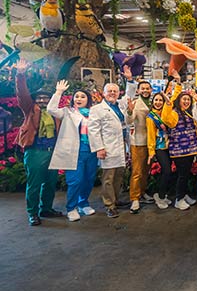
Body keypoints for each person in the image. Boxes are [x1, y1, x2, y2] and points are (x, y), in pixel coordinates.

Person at [15, 59, 63, 226]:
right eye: (40, 98)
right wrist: (20, 74)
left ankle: (46, 209)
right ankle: (33, 213)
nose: (43, 100)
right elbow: (22, 94)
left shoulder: (54, 112)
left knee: (50, 183)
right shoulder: (30, 109)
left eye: (46, 98)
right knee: (34, 184)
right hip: (35, 151)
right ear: (35, 100)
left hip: (52, 151)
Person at [47, 80, 98, 222]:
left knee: (89, 179)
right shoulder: (67, 112)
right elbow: (51, 109)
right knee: (75, 181)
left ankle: (83, 203)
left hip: (92, 151)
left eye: (83, 96)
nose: (79, 99)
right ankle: (71, 208)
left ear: (88, 99)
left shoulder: (93, 113)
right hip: (75, 152)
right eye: (77, 96)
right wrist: (58, 92)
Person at [88, 73, 136, 218]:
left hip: (121, 146)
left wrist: (129, 79)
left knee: (119, 176)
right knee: (108, 178)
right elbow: (93, 130)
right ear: (103, 93)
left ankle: (116, 199)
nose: (112, 93)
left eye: (115, 91)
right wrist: (99, 148)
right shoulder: (97, 109)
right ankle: (109, 205)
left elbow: (129, 94)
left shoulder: (120, 105)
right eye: (109, 91)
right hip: (107, 148)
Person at [161, 78, 197, 210]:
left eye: (188, 100)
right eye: (183, 99)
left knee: (186, 174)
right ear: (179, 101)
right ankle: (179, 199)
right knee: (182, 175)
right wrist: (168, 104)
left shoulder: (189, 113)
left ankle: (183, 195)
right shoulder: (174, 113)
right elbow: (165, 119)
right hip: (180, 151)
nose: (186, 101)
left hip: (191, 150)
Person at [126, 79, 154, 214]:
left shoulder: (155, 102)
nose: (145, 90)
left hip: (152, 142)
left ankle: (142, 193)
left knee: (146, 170)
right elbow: (129, 121)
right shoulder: (136, 103)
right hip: (139, 141)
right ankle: (134, 198)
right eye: (143, 88)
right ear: (138, 90)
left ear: (151, 90)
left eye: (147, 88)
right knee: (137, 171)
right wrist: (130, 111)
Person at [146, 92, 173, 209]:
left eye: (160, 100)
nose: (158, 103)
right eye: (156, 100)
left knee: (166, 172)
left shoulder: (166, 114)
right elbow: (151, 135)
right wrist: (151, 152)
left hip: (170, 146)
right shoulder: (151, 117)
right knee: (166, 170)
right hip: (159, 147)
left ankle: (162, 194)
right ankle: (160, 196)